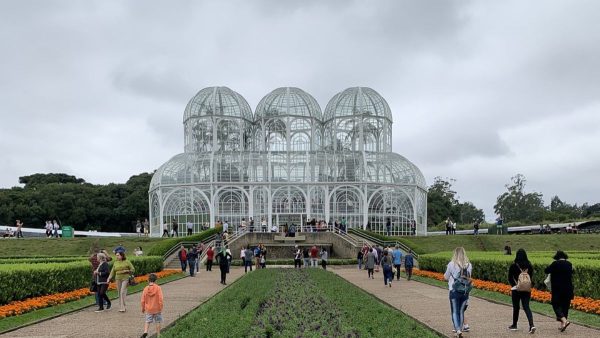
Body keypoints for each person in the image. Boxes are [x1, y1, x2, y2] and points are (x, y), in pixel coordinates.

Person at [444, 247, 472, 338]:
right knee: (461, 311)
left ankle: (458, 330)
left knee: (455, 312)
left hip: (454, 290)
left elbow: (446, 277)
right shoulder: (469, 265)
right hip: (465, 291)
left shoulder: (451, 264)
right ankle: (459, 328)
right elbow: (468, 277)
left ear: (455, 254)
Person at [544, 250, 574, 332]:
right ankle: (563, 324)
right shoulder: (569, 264)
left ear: (557, 257)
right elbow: (572, 272)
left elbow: (546, 270)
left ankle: (564, 321)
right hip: (568, 288)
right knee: (565, 306)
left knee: (555, 304)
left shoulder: (555, 264)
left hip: (557, 289)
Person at [508, 249, 536, 333]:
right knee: (526, 307)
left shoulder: (514, 265)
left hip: (516, 289)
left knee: (516, 307)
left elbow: (510, 278)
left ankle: (514, 324)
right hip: (526, 289)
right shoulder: (529, 265)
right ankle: (531, 325)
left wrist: (514, 285)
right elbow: (531, 278)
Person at [140, 273, 164, 338]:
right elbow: (161, 298)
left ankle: (145, 331)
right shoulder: (158, 288)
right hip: (157, 308)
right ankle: (158, 335)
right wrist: (161, 307)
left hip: (148, 309)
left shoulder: (145, 289)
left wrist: (143, 308)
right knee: (158, 321)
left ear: (148, 280)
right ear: (156, 280)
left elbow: (142, 300)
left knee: (147, 321)